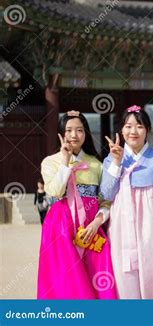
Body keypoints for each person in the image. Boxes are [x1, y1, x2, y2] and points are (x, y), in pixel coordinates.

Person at [100, 105, 153, 299]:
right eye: (128, 126)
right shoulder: (111, 159)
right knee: (125, 274)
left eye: (139, 126)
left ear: (148, 130)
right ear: (121, 130)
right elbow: (107, 193)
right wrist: (117, 163)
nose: (133, 131)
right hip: (122, 225)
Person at [38, 111, 116, 299]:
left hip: (90, 226)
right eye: (69, 130)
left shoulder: (97, 164)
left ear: (86, 134)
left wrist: (97, 223)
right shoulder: (50, 162)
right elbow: (55, 192)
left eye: (80, 130)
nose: (74, 135)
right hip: (60, 227)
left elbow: (105, 201)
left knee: (97, 273)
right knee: (64, 278)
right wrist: (65, 163)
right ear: (61, 133)